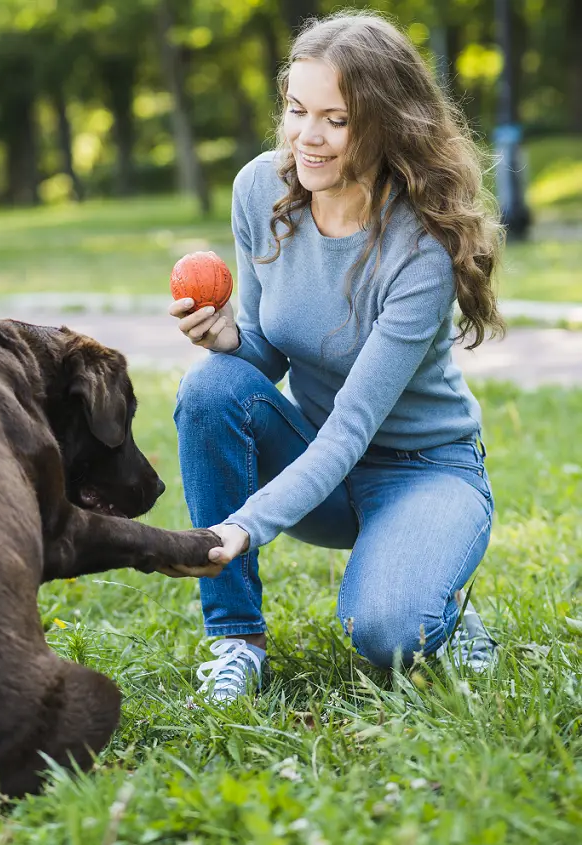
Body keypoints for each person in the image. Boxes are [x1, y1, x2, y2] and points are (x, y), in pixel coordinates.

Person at [170, 11, 503, 703]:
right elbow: (263, 354)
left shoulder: (420, 249)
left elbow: (353, 426)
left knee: (386, 632)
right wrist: (228, 340)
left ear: (386, 126)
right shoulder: (260, 190)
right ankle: (237, 640)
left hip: (423, 472)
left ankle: (444, 602)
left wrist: (240, 524)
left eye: (336, 119)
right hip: (323, 466)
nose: (306, 138)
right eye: (296, 110)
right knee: (210, 388)